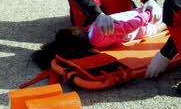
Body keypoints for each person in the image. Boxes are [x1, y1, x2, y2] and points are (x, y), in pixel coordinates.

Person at [31, 8, 165, 70]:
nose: (76, 27)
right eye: (74, 29)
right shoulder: (97, 33)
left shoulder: (91, 36)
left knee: (163, 20)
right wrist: (146, 15)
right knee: (164, 22)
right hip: (140, 25)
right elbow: (128, 27)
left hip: (136, 21)